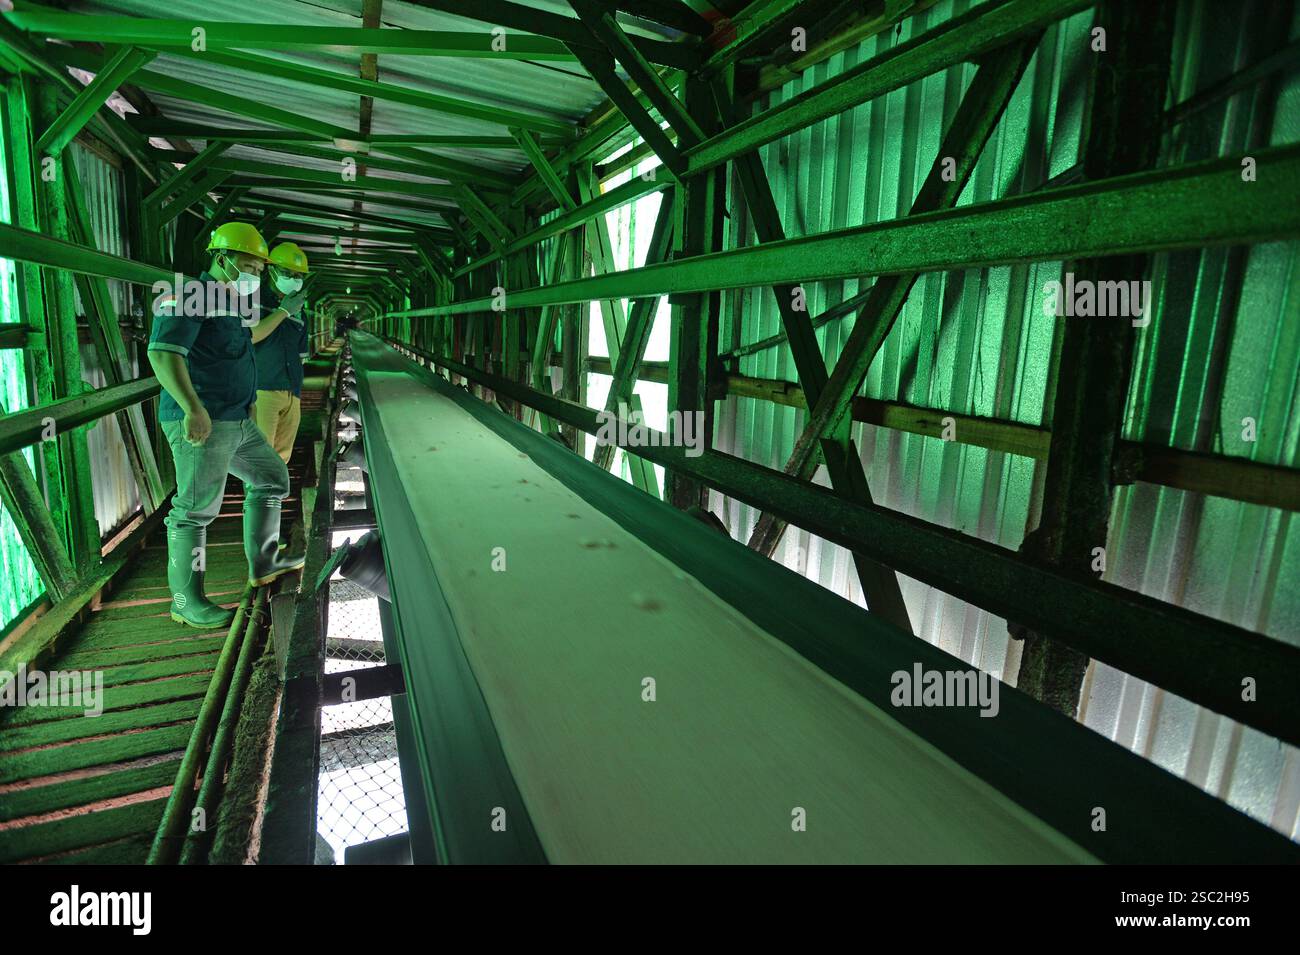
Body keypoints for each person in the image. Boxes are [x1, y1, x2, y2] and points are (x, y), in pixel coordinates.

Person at [147, 222, 306, 629]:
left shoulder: (233, 302)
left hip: (236, 418)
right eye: (247, 264)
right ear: (221, 259)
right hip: (205, 417)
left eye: (258, 266)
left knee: (272, 477)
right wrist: (192, 408)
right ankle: (186, 601)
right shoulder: (191, 295)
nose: (254, 272)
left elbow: (243, 348)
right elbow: (163, 353)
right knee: (195, 510)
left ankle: (265, 560)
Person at [252, 242, 310, 463]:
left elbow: (301, 355)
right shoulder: (253, 301)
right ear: (270, 270)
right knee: (260, 457)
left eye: (298, 275)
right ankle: (259, 497)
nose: (293, 279)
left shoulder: (300, 312)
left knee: (282, 458)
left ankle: (273, 498)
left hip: (292, 391)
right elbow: (249, 337)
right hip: (262, 389)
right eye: (286, 272)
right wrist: (283, 311)